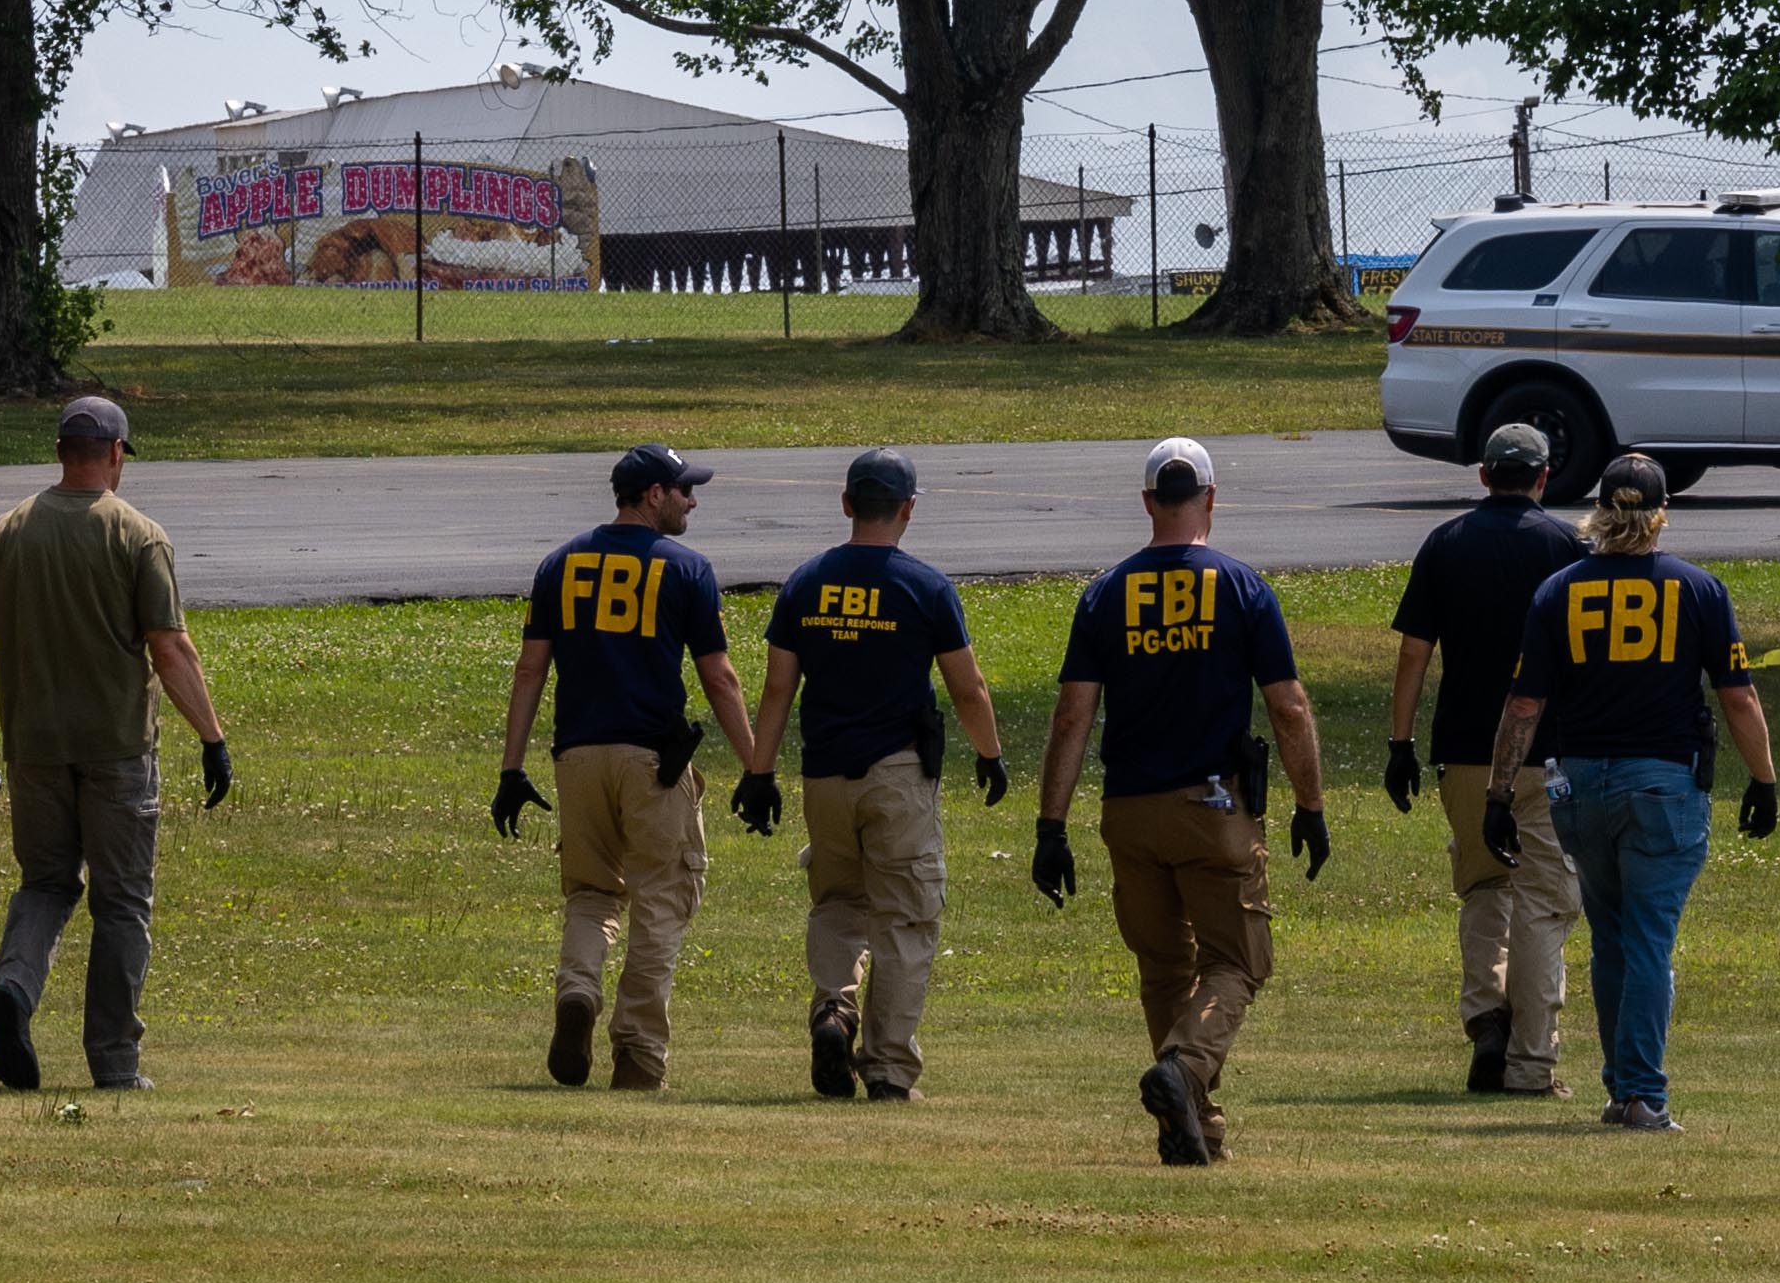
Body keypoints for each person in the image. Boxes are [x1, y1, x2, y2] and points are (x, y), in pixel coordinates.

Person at [1031, 435, 1329, 1166]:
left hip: (1130, 811)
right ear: (1211, 500)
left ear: (1146, 503)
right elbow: (1287, 708)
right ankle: (1185, 1067)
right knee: (1236, 961)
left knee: (1164, 968)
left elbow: (1073, 715)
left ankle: (1193, 1126)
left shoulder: (1105, 591)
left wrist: (1050, 825)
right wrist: (1311, 806)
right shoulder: (1240, 585)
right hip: (1213, 807)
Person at [1477, 450, 1778, 1134]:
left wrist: (1498, 794)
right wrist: (1763, 777)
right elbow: (1737, 695)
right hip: (1661, 782)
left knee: (1610, 936)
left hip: (1577, 783)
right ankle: (1642, 1092)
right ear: (1660, 511)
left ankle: (1621, 1088)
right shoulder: (1697, 587)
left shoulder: (1559, 590)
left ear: (1601, 511)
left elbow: (1524, 705)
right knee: (1646, 939)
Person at [0, 395, 231, 1093]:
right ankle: (113, 1059)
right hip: (116, 750)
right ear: (113, 454)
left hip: (34, 745)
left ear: (60, 452)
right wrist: (212, 736)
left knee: (45, 882)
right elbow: (169, 648)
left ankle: (14, 988)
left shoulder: (8, 531)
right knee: (122, 901)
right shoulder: (138, 535)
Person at [732, 447, 1008, 1101]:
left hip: (824, 777)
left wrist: (758, 771)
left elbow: (776, 689)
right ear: (908, 508)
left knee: (837, 902)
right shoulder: (925, 587)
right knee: (905, 918)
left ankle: (834, 1006)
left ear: (847, 502)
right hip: (897, 774)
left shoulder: (805, 582)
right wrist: (990, 754)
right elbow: (967, 688)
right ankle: (885, 1067)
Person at [491, 444, 760, 1092]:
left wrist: (510, 768)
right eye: (682, 489)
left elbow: (531, 669)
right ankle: (637, 1053)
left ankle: (578, 990)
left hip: (576, 758)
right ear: (649, 495)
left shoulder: (560, 563)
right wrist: (758, 766)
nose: (692, 499)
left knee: (591, 891)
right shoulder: (687, 569)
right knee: (663, 900)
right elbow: (719, 678)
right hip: (651, 762)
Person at [1384, 418, 1587, 1098]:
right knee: (1543, 901)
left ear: (1481, 475)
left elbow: (1415, 653)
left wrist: (1400, 743)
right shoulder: (1567, 545)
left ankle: (1485, 1018)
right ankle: (1532, 1053)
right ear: (1543, 475)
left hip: (1466, 752)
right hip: (1546, 753)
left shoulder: (1444, 543)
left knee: (1482, 889)